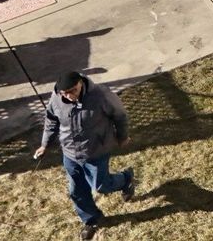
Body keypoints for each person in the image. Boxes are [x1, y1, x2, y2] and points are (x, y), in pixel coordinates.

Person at [35, 71, 137, 239]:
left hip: (97, 150)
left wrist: (122, 136)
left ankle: (126, 179)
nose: (69, 96)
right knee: (76, 190)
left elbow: (120, 115)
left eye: (73, 91)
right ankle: (91, 219)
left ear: (81, 83)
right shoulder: (56, 98)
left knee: (101, 186)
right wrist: (45, 144)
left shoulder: (101, 95)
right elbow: (51, 120)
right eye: (65, 93)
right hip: (70, 153)